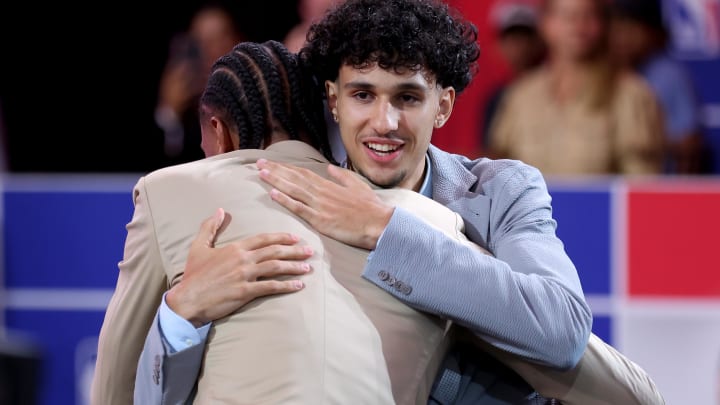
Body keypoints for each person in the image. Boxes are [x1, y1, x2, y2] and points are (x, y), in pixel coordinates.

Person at [131, 36, 664, 405]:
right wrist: (181, 314)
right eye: (363, 94)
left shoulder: (500, 189)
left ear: (444, 106)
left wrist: (384, 231)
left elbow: (561, 331)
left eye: (408, 97)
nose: (383, 122)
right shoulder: (294, 201)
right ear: (334, 102)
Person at [487, 0, 666, 176]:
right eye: (566, 15)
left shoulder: (631, 94)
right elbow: (500, 164)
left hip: (597, 206)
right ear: (545, 24)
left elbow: (641, 183)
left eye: (588, 15)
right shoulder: (522, 94)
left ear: (604, 23)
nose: (577, 25)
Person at [609, 0, 707, 174]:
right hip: (601, 183)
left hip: (656, 182)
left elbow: (688, 146)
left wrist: (644, 141)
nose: (623, 38)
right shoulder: (600, 72)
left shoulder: (667, 74)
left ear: (655, 33)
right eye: (617, 29)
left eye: (633, 28)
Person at [154, 1, 245, 166]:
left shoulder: (253, 102)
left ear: (238, 40)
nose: (210, 49)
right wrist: (169, 114)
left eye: (220, 38)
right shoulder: (187, 114)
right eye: (201, 41)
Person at [481, 1, 546, 153]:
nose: (518, 44)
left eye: (525, 36)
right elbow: (492, 151)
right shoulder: (496, 98)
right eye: (511, 37)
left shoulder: (556, 89)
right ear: (499, 45)